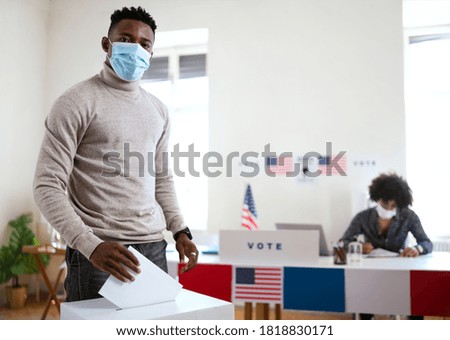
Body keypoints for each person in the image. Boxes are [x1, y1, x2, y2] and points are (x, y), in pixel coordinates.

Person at [33, 6, 198, 302]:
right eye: (126, 39)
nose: (136, 49)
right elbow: (46, 186)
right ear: (106, 45)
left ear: (151, 53)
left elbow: (161, 178)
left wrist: (180, 231)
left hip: (153, 249)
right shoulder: (75, 102)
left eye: (144, 44)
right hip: (100, 252)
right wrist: (90, 245)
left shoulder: (158, 110)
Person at [340, 172, 432, 319]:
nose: (389, 208)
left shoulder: (409, 216)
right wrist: (358, 246)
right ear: (377, 198)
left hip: (400, 270)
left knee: (415, 297)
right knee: (362, 296)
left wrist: (416, 249)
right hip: (371, 271)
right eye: (385, 204)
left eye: (393, 205)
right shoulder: (363, 217)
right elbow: (342, 242)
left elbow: (426, 243)